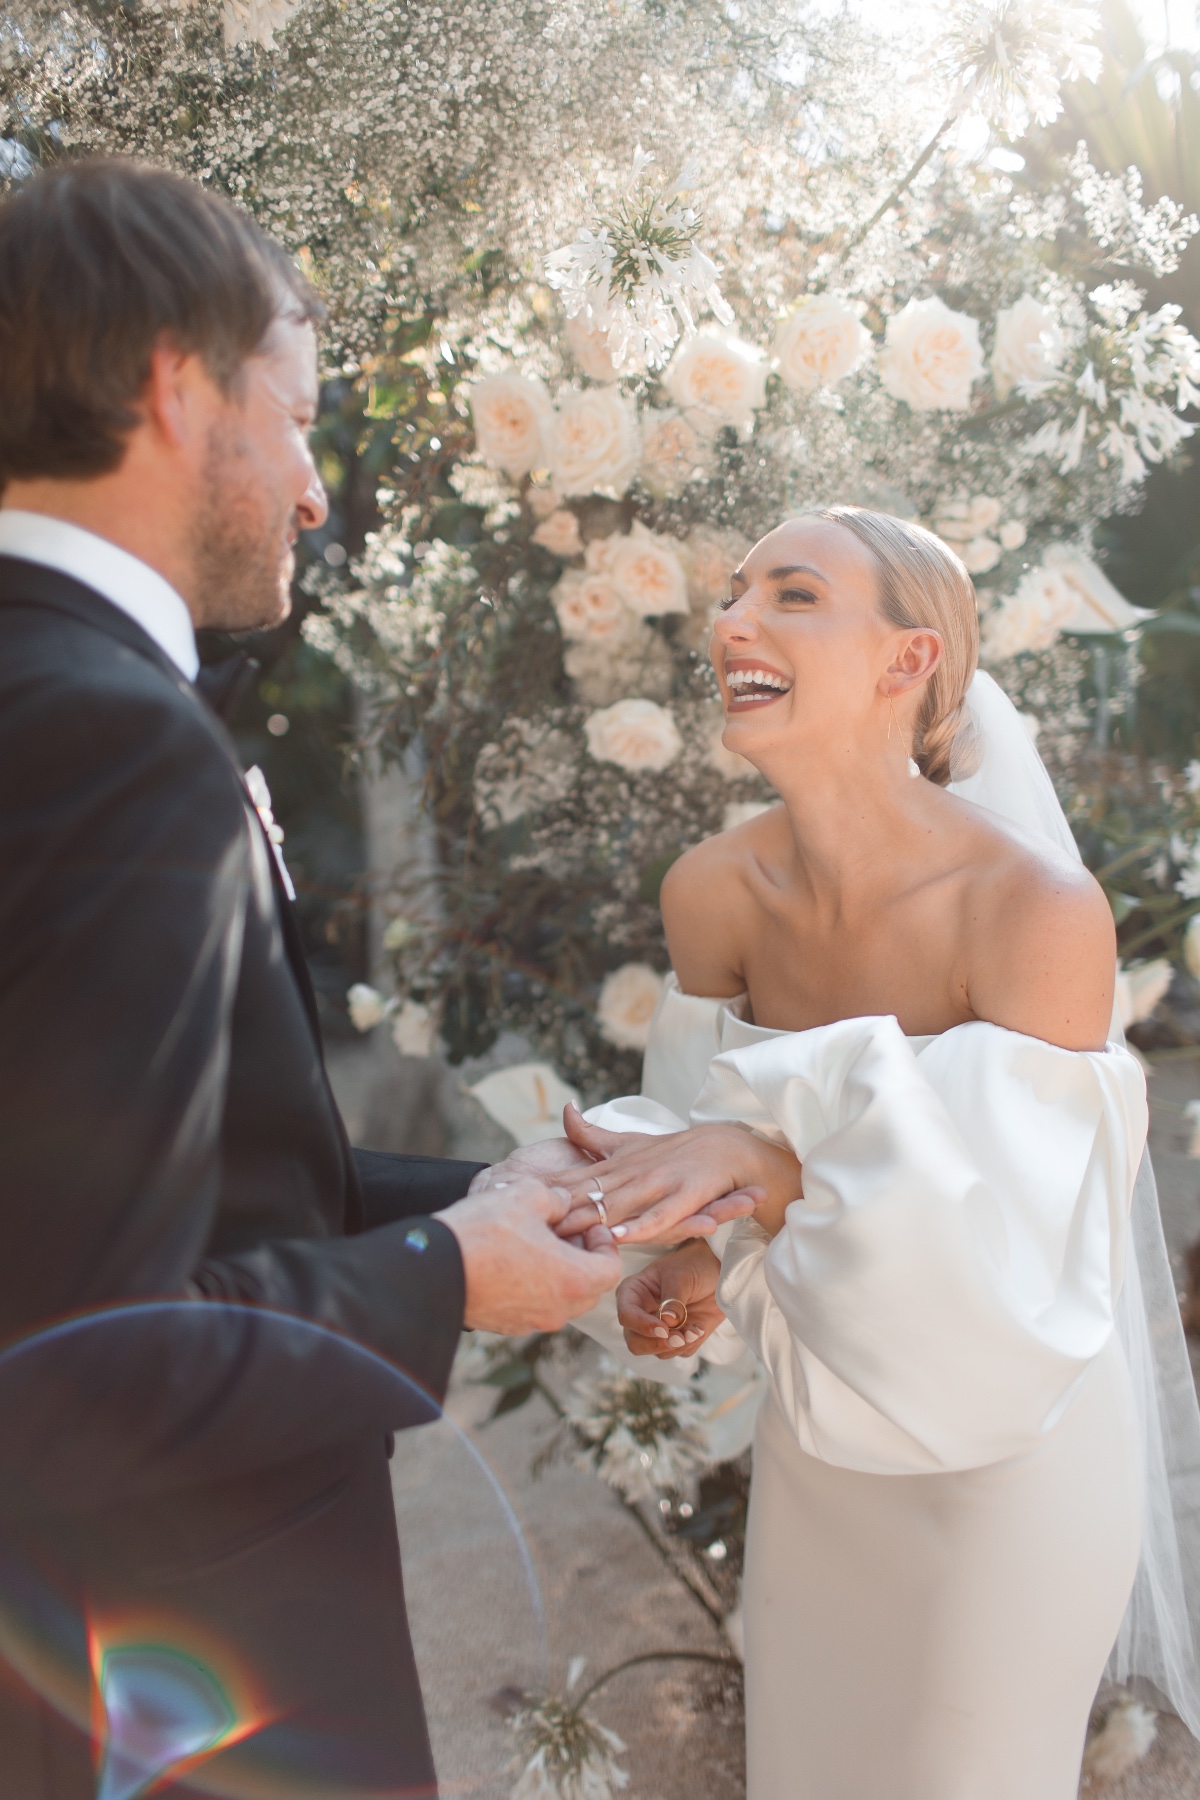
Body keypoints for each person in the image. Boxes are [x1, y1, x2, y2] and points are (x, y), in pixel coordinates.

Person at [0, 157, 620, 1798]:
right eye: (297, 414)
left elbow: (125, 1191)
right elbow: (83, 1361)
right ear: (170, 385)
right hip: (175, 1668)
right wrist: (448, 1273)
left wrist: (483, 1191)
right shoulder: (109, 738)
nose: (315, 487)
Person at [488, 507, 1200, 1798]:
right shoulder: (710, 895)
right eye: (734, 594)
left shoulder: (1034, 910)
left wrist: (769, 1168)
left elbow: (1016, 1256)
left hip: (1013, 1446)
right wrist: (687, 1262)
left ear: (907, 661)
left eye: (794, 595)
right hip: (828, 1432)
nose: (733, 620)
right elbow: (705, 1142)